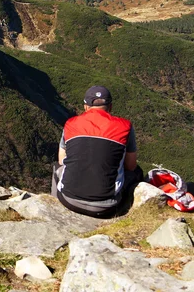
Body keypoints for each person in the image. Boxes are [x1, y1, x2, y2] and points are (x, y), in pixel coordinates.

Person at [53, 85, 142, 218]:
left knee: (57, 166)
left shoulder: (70, 124)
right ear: (110, 107)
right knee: (137, 172)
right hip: (107, 207)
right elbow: (131, 166)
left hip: (68, 201)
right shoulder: (125, 127)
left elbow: (62, 160)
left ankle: (56, 210)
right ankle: (127, 214)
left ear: (85, 107)